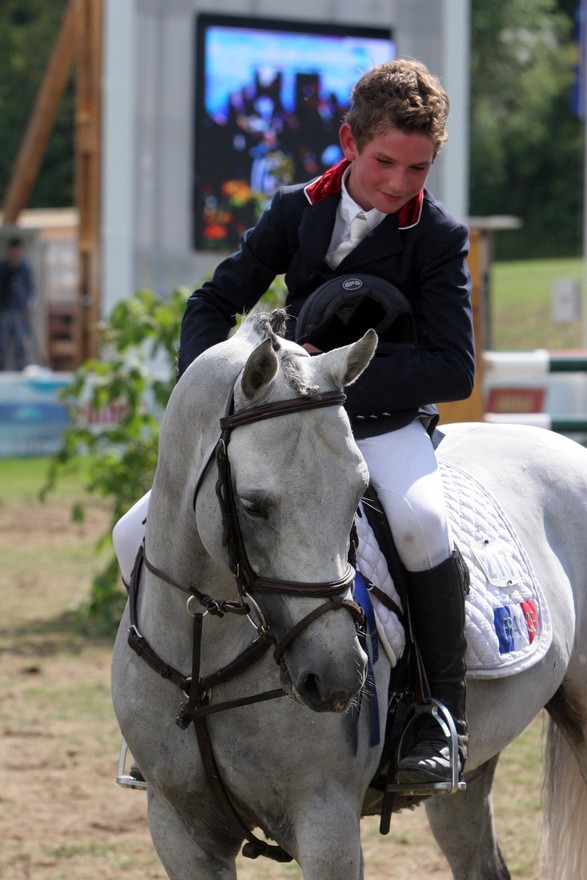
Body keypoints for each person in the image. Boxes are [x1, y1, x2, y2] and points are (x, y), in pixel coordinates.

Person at [114, 59, 475, 787]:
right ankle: (158, 710)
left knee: (419, 525)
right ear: (348, 140)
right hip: (286, 422)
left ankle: (438, 715)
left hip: (379, 421)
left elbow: (452, 367)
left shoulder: (435, 234)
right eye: (383, 162)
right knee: (132, 532)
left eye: (417, 168)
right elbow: (210, 305)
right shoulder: (294, 208)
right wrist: (212, 395)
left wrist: (328, 382)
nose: (398, 183)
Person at [0, 237, 35, 371]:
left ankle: (22, 370)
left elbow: (31, 289)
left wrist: (29, 306)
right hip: (4, 311)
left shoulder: (25, 268)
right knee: (2, 343)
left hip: (21, 311)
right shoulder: (3, 268)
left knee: (22, 343)